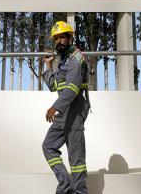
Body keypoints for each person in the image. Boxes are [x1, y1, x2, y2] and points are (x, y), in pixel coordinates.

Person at [41, 21, 90, 194]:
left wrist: (54, 107)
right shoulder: (63, 61)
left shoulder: (76, 60)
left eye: (62, 37)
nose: (59, 41)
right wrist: (48, 66)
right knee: (48, 146)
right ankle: (65, 186)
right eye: (56, 38)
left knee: (76, 158)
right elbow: (55, 86)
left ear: (70, 38)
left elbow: (71, 89)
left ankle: (80, 191)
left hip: (74, 111)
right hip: (64, 112)